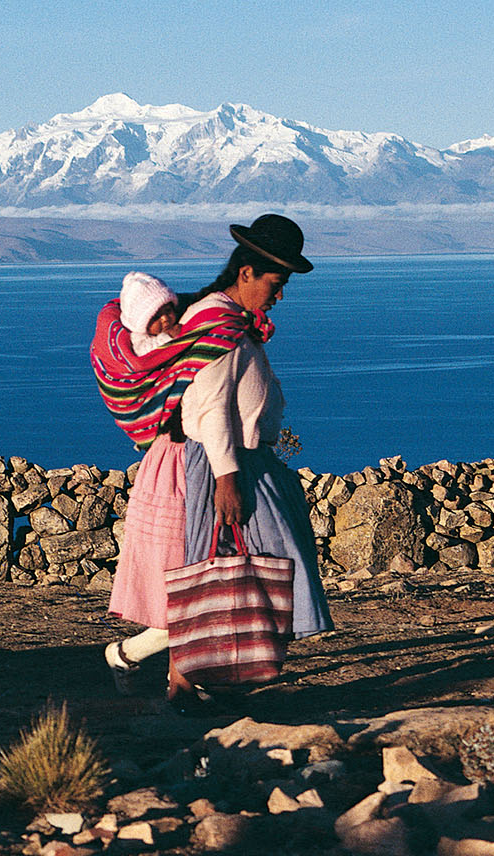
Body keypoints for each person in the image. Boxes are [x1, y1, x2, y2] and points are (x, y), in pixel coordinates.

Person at [101, 214, 333, 712]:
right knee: (222, 575)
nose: (280, 295)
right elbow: (209, 406)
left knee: (222, 575)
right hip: (217, 463)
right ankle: (180, 681)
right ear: (246, 272)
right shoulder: (218, 322)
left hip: (237, 461)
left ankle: (183, 679)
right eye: (276, 282)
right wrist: (227, 479)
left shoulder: (225, 319)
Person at [118, 271, 181, 356]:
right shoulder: (137, 335)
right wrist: (168, 336)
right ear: (142, 323)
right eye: (156, 317)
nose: (165, 318)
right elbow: (142, 351)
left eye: (168, 310)